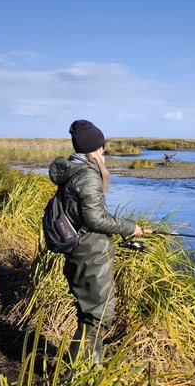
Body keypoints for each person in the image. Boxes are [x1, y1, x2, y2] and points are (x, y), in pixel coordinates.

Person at [48, 119, 151, 365]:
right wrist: (131, 227)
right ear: (95, 148)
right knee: (98, 315)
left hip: (80, 250)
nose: (104, 151)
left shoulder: (72, 169)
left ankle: (87, 364)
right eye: (102, 147)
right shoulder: (88, 176)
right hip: (90, 253)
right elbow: (95, 219)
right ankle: (79, 373)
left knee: (90, 312)